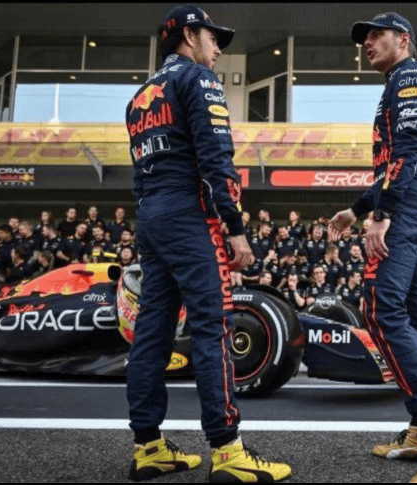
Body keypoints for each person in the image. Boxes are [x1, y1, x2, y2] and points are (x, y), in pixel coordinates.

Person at [124, 5, 290, 483]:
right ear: (189, 35)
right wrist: (234, 228)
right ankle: (228, 451)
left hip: (151, 216)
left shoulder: (139, 95)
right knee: (213, 328)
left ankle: (148, 447)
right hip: (189, 216)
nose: (218, 48)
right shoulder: (197, 80)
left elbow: (141, 173)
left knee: (151, 334)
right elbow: (218, 158)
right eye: (213, 38)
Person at [329, 12, 417, 483]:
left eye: (376, 35)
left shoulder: (410, 75)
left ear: (403, 40)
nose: (367, 43)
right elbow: (397, 161)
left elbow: (409, 152)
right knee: (414, 313)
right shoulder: (405, 78)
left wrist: (380, 215)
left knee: (380, 310)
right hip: (412, 197)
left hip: (407, 203)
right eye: (364, 37)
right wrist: (357, 209)